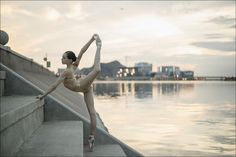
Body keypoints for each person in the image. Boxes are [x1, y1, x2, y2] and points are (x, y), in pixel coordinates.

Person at [36, 34, 102, 152]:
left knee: (97, 69)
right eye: (62, 57)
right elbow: (54, 86)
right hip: (85, 88)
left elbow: (54, 85)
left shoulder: (68, 71)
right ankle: (91, 138)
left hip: (83, 85)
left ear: (70, 60)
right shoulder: (71, 69)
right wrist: (91, 39)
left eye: (64, 57)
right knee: (91, 113)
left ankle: (99, 46)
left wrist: (93, 41)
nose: (62, 59)